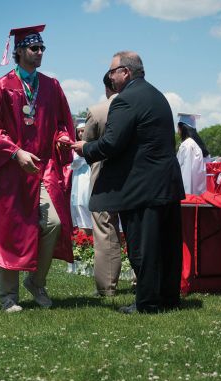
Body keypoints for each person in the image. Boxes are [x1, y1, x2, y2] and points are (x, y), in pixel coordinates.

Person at [71, 51, 185, 314]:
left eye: (112, 72)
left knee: (142, 248)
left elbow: (111, 142)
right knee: (166, 246)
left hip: (141, 187)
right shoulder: (157, 96)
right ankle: (168, 297)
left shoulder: (125, 100)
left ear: (125, 72)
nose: (109, 77)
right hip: (165, 184)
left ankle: (146, 302)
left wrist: (85, 147)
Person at [0, 25, 75, 312]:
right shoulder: (0, 87)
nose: (39, 53)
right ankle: (7, 297)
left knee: (54, 223)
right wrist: (15, 152)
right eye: (34, 49)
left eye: (42, 48)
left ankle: (36, 281)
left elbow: (62, 122)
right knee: (10, 229)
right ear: (19, 51)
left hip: (43, 167)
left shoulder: (51, 86)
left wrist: (62, 137)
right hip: (12, 170)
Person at [82, 72, 121, 296]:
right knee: (135, 228)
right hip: (133, 176)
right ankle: (140, 280)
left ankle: (107, 287)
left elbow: (87, 145)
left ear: (107, 88)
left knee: (105, 229)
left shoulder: (97, 111)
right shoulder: (139, 106)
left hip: (104, 174)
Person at [177, 113, 209, 195]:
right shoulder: (197, 144)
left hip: (188, 195)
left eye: (178, 127)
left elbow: (186, 173)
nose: (177, 130)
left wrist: (185, 197)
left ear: (182, 128)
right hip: (199, 194)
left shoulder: (187, 145)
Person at [70, 122, 92, 233]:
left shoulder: (93, 144)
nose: (80, 133)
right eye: (78, 131)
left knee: (88, 202)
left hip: (90, 176)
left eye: (83, 130)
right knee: (78, 203)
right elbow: (73, 164)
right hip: (78, 178)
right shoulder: (74, 147)